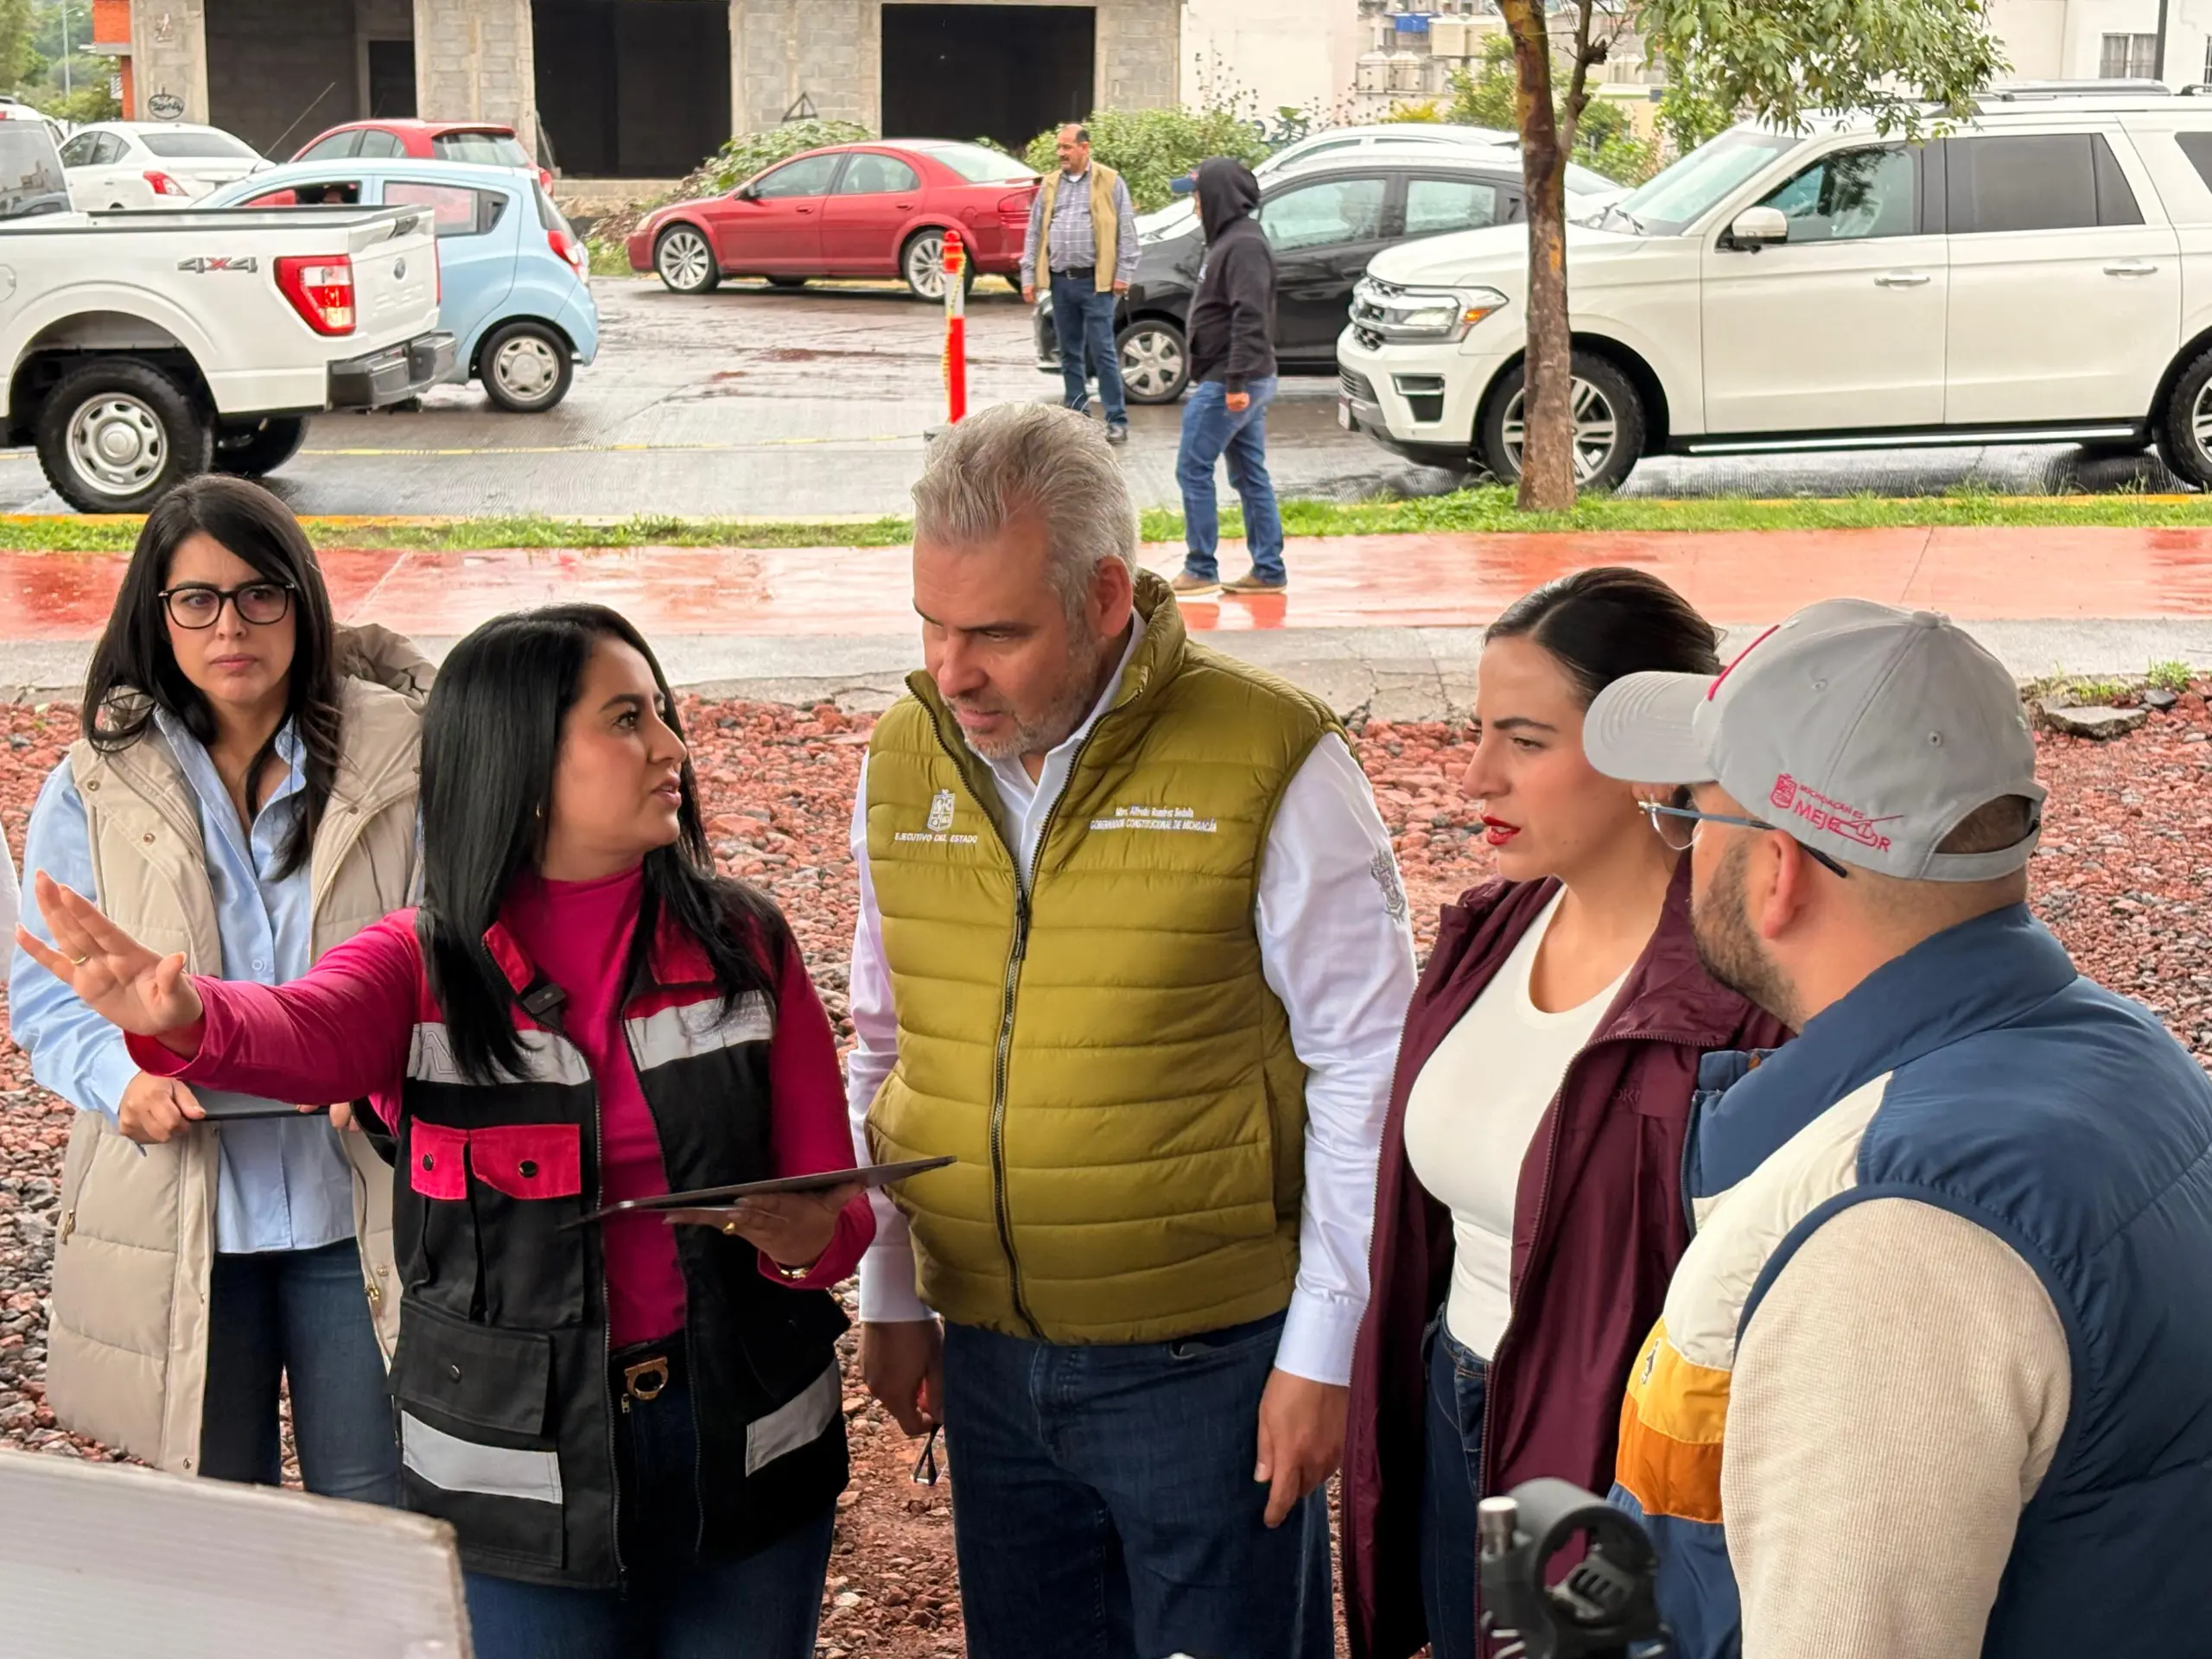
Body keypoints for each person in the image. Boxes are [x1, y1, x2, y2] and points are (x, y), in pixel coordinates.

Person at [17, 604, 874, 1659]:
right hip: (514, 1483)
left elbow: (836, 1212)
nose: (671, 748)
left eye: (661, 713)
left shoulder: (745, 943)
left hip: (746, 1448)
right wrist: (187, 1018)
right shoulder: (419, 966)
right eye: (625, 719)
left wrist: (810, 1243)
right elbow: (300, 1032)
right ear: (520, 759)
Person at [846, 400, 1415, 1659]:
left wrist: (1324, 1352)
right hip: (986, 1356)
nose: (951, 673)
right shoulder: (905, 754)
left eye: (996, 633)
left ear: (1106, 596)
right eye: (933, 624)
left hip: (1207, 1369)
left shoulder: (1273, 757)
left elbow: (1366, 1066)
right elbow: (887, 1042)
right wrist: (889, 1287)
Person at [1586, 600, 2212, 1659]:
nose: (1678, 850)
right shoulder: (2126, 1050)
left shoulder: (1893, 1238)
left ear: (1777, 872)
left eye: (1690, 814)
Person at [1340, 570, 1792, 1659]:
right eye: (1479, 731)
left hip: (1599, 1453)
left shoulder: (1738, 1003)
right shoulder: (1490, 931)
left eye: (1526, 740)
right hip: (1449, 1402)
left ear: (1653, 752)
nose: (1475, 776)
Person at [9, 474, 429, 1499]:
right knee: (215, 1513)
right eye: (195, 599)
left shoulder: (402, 758)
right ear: (156, 616)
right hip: (185, 1211)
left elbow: (447, 948)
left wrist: (386, 1062)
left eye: (258, 594)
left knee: (376, 1503)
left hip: (359, 1202)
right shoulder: (96, 782)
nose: (229, 626)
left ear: (302, 600)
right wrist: (121, 1080)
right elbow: (51, 991)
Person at [1172, 157, 1285, 598]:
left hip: (1232, 381)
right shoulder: (1230, 240)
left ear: (1217, 196)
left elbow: (1250, 317)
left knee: (1193, 467)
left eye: (1198, 195)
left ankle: (1200, 568)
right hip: (1235, 378)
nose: (1195, 204)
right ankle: (1268, 570)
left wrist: (1235, 382)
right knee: (1249, 473)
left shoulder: (1244, 247)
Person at [1021, 123, 1138, 445]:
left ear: (1084, 148)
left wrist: (1123, 274)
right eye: (1059, 147)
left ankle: (1116, 420)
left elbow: (1127, 232)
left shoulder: (1110, 181)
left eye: (1067, 147)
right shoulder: (1050, 184)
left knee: (1103, 352)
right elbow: (1034, 232)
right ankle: (1077, 418)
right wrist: (1029, 276)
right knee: (1069, 353)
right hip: (1061, 282)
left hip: (1096, 284)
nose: (1061, 153)